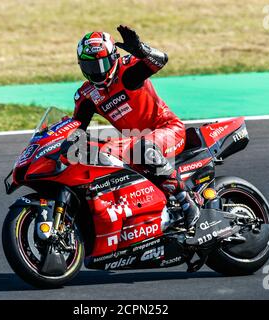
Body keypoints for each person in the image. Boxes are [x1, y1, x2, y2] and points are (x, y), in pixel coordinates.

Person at [73, 25, 200, 230]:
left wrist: (140, 49)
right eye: (90, 67)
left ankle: (187, 202)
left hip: (167, 129)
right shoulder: (87, 96)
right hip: (135, 141)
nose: (96, 72)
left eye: (101, 64)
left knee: (143, 148)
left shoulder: (127, 70)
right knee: (102, 154)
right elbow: (76, 129)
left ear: (113, 58)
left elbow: (161, 60)